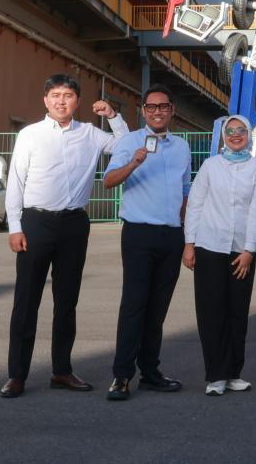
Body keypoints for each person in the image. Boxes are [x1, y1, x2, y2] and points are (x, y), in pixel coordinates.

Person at [1, 73, 128, 399]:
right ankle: (17, 375)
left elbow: (126, 145)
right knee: (26, 300)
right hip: (36, 223)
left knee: (67, 300)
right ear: (46, 100)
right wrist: (15, 226)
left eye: (68, 95)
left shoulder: (91, 134)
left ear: (77, 101)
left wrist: (113, 116)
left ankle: (61, 370)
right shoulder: (30, 135)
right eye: (55, 95)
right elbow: (16, 181)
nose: (61, 101)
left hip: (74, 224)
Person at [103, 84, 193, 402]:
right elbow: (108, 180)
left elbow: (185, 190)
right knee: (134, 305)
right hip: (139, 233)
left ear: (171, 111)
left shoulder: (181, 147)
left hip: (171, 235)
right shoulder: (130, 142)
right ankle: (121, 376)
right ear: (143, 111)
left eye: (163, 106)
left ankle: (151, 372)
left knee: (158, 309)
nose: (157, 112)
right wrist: (133, 163)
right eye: (151, 107)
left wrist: (186, 234)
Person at [182, 115, 256, 396]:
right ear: (223, 136)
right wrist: (189, 243)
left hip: (241, 251)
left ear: (248, 134)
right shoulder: (210, 166)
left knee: (237, 312)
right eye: (230, 131)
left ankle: (233, 373)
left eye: (241, 130)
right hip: (209, 245)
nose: (235, 135)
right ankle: (216, 375)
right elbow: (195, 204)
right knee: (211, 311)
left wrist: (249, 250)